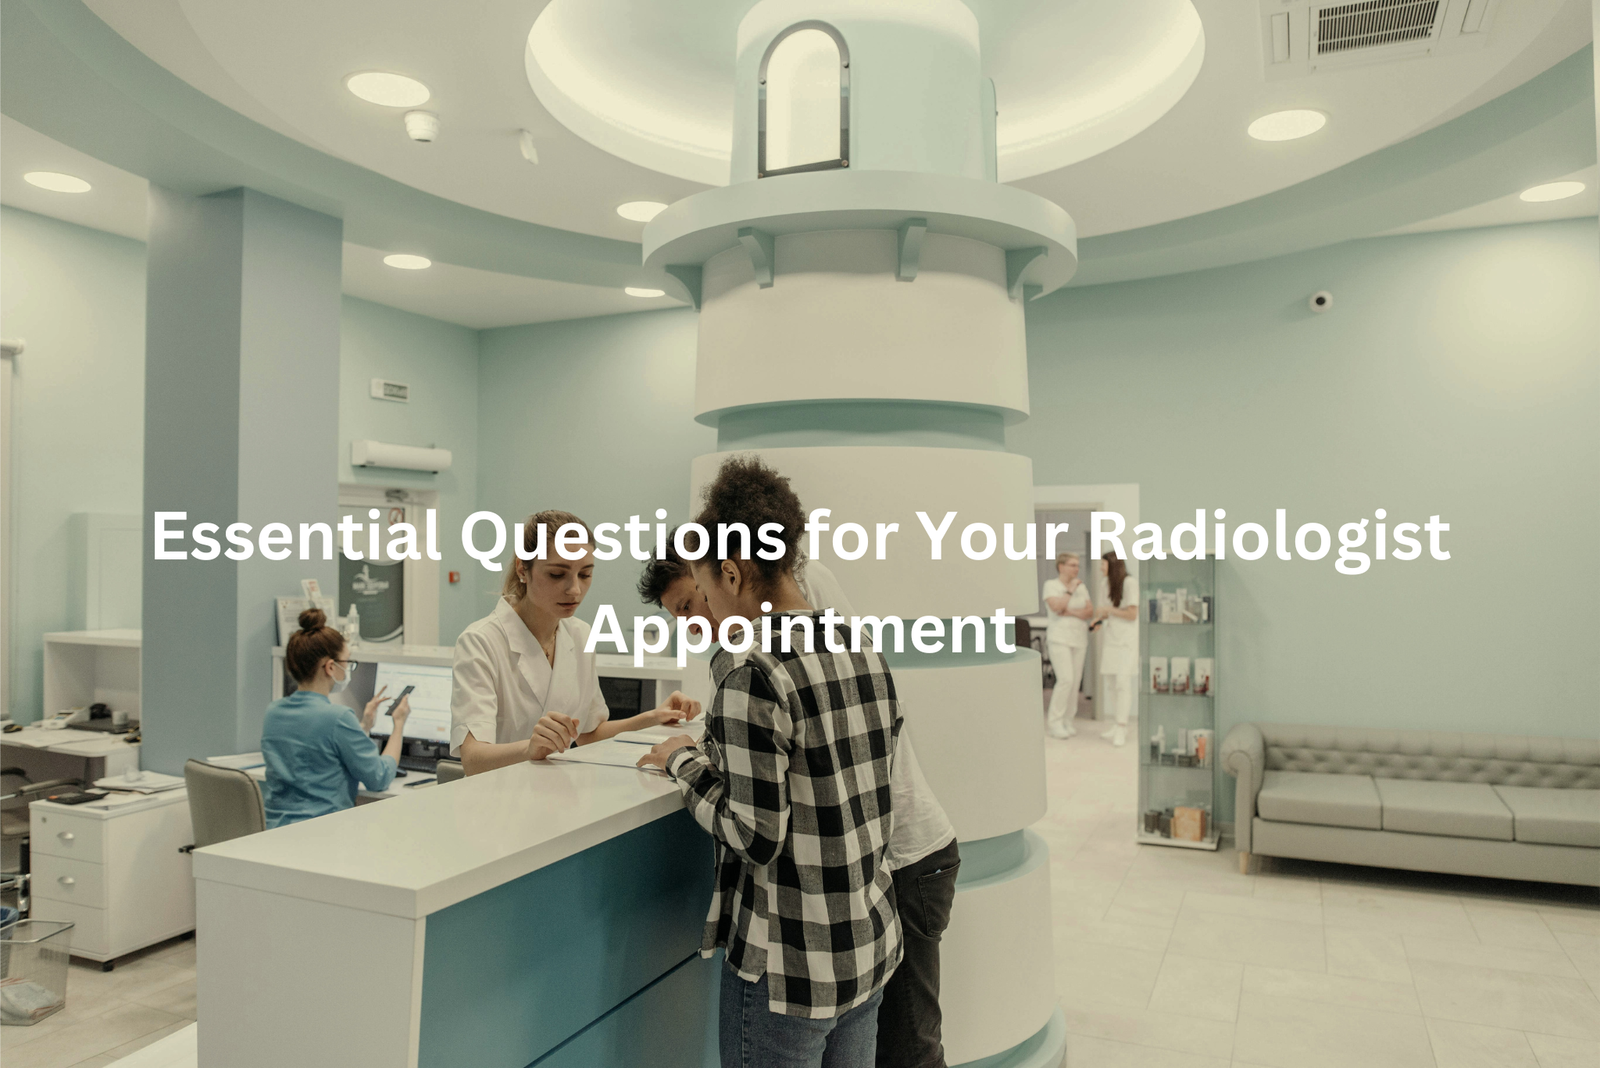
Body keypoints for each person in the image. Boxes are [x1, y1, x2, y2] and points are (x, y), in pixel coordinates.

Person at [641, 536, 961, 1068]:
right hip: (865, 934)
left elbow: (756, 833)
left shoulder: (758, 670)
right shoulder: (859, 648)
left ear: (731, 574)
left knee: (912, 1054)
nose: (697, 617)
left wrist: (683, 762)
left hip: (820, 935)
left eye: (696, 596)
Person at [450, 510, 700, 776]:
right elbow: (473, 759)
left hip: (560, 796)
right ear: (523, 569)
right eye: (557, 575)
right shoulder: (480, 642)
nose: (574, 590)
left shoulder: (580, 635)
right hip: (496, 800)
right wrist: (529, 749)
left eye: (585, 574)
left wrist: (652, 717)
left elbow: (590, 733)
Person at [261, 609, 410, 828]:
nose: (349, 669)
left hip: (278, 833)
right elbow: (379, 778)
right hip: (324, 836)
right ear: (331, 667)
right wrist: (398, 725)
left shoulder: (273, 712)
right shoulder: (338, 717)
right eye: (347, 662)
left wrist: (363, 727)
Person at [1041, 551, 1093, 739]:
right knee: (1065, 680)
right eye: (1072, 565)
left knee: (1075, 681)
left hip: (1079, 639)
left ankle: (1068, 720)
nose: (1076, 569)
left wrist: (1069, 611)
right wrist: (1069, 591)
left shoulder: (1082, 586)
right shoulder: (1051, 586)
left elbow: (1089, 612)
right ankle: (1055, 722)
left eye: (1078, 565)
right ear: (1061, 566)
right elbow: (1056, 607)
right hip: (1059, 639)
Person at [1093, 552, 1140, 747]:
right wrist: (1097, 621)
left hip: (1126, 642)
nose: (1100, 568)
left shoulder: (1130, 583)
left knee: (1122, 683)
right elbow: (1105, 612)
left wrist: (1108, 611)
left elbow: (1131, 614)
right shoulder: (1105, 585)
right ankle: (1115, 723)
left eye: (1103, 565)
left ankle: (1122, 726)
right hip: (1111, 639)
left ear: (1113, 565)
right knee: (1111, 683)